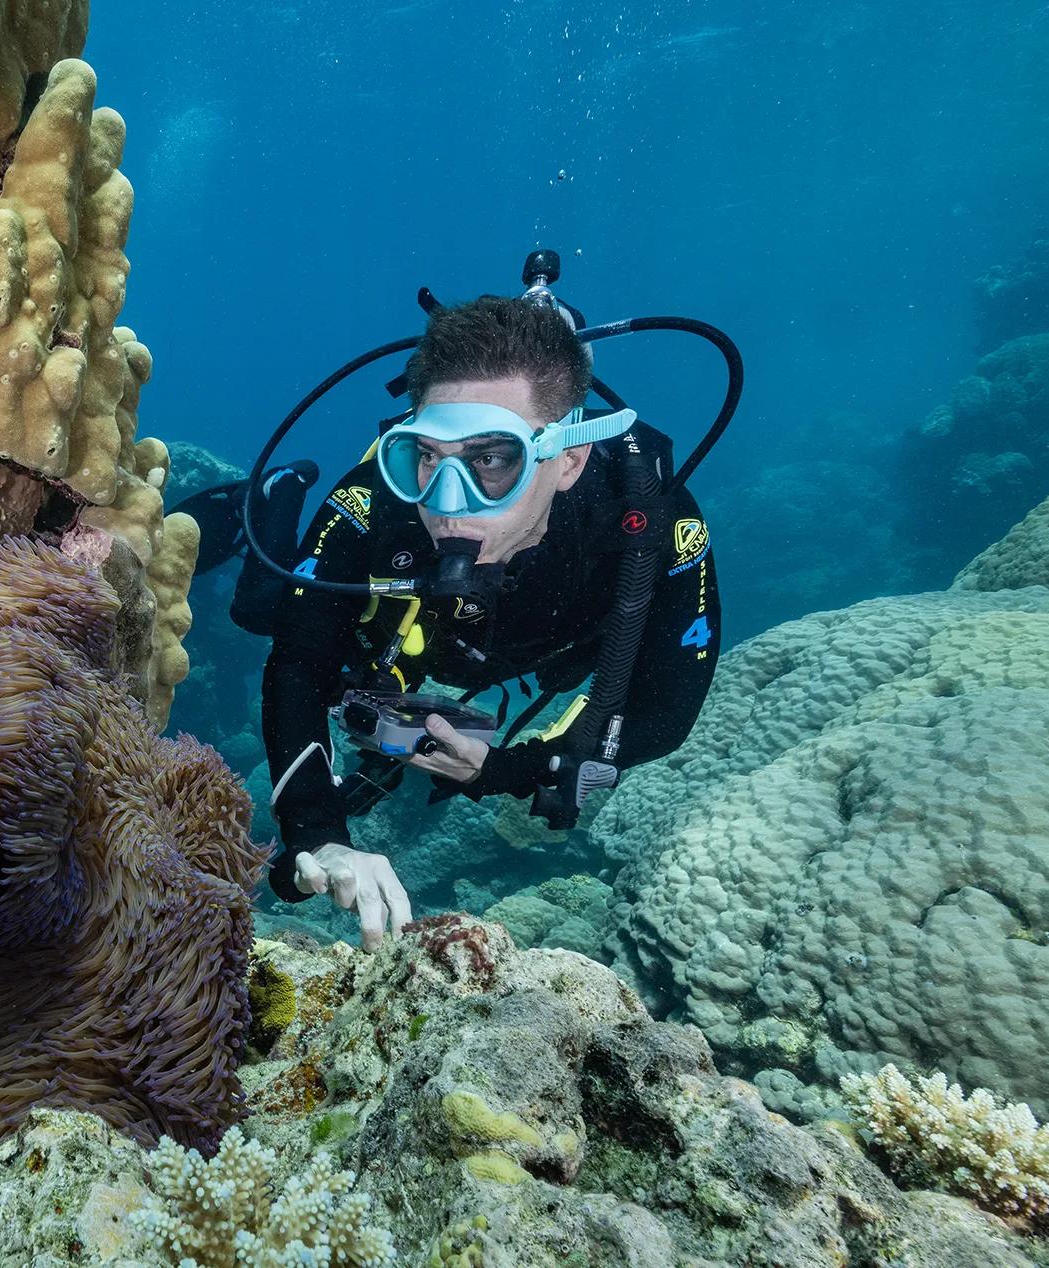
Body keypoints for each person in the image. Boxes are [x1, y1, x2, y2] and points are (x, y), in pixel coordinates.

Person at [254, 294, 721, 948]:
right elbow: (298, 664)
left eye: (494, 460)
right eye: (424, 455)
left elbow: (668, 711)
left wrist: (501, 771)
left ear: (569, 459)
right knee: (258, 608)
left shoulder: (650, 521)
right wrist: (319, 835)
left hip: (540, 650)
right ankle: (281, 490)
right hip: (415, 641)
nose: (447, 506)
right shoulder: (377, 497)